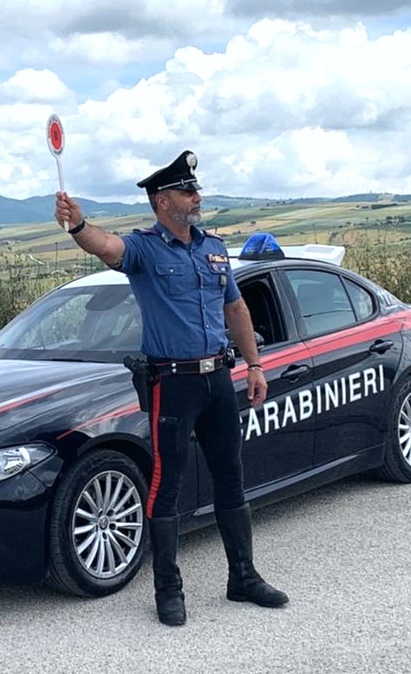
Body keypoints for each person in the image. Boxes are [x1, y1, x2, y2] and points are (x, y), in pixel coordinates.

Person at [54, 151, 288, 626]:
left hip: (219, 378)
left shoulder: (214, 249)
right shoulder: (145, 250)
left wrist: (255, 365)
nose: (196, 197)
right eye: (187, 191)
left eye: (195, 190)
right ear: (163, 202)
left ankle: (242, 577)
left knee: (231, 475)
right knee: (168, 483)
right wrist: (79, 225)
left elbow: (236, 311)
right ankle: (168, 589)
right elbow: (106, 248)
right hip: (174, 383)